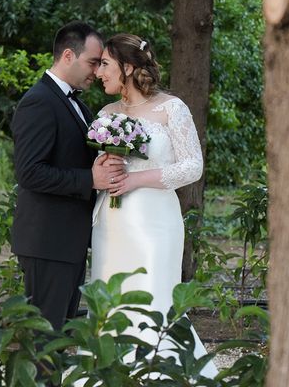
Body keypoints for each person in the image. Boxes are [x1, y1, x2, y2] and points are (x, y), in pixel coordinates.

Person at [92, 33, 218, 378]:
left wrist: (136, 179)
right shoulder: (107, 114)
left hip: (155, 225)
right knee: (111, 303)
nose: (98, 71)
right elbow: (101, 169)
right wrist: (102, 169)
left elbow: (193, 166)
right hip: (111, 225)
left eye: (105, 63)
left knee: (153, 301)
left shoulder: (172, 109)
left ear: (128, 67)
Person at [11, 21, 127, 331]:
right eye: (92, 62)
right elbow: (30, 173)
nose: (96, 70)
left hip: (69, 242)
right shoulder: (39, 102)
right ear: (67, 56)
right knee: (44, 339)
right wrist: (89, 180)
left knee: (58, 339)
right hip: (48, 241)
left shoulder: (81, 107)